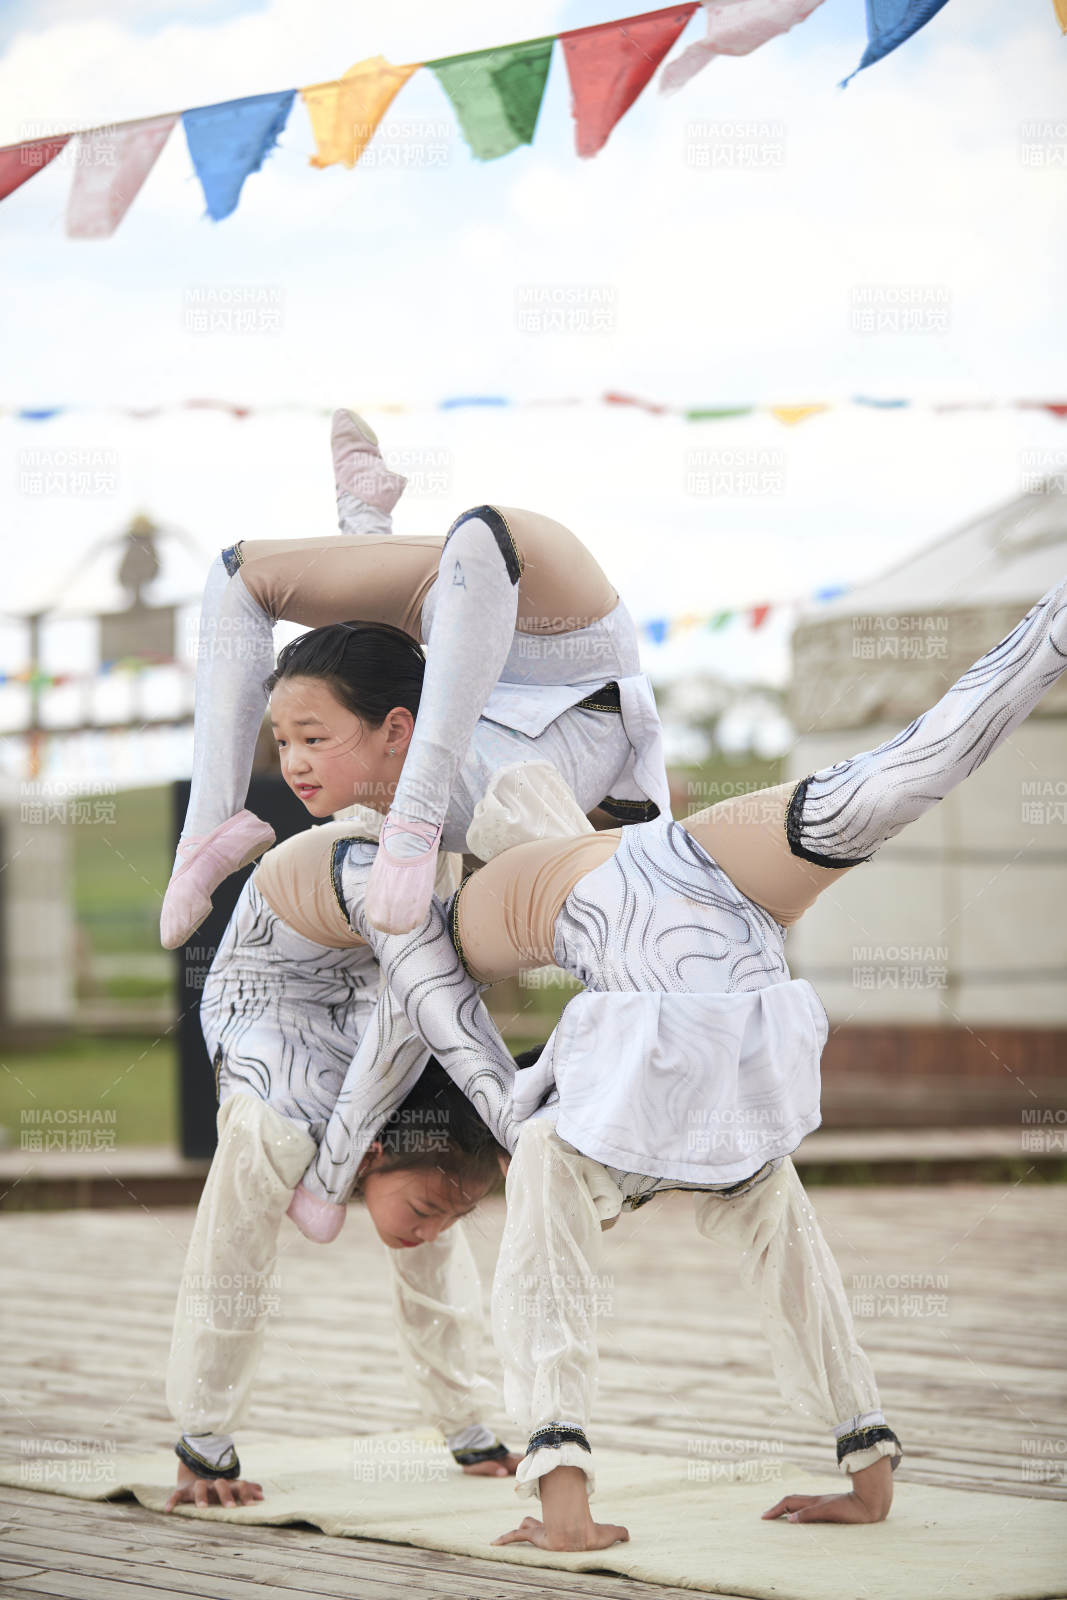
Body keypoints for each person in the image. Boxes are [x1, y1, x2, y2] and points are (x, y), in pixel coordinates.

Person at [292, 572, 1067, 1548]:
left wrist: (400, 1144)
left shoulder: (454, 868)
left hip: (667, 943)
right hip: (726, 965)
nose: (295, 762)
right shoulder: (525, 848)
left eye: (308, 738)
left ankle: (570, 1497)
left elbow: (435, 1024)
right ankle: (864, 1463)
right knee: (914, 764)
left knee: (563, 1197)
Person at [160, 410, 668, 947]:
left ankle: (364, 517)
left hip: (562, 653)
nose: (293, 763)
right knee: (243, 577)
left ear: (399, 729)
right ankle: (208, 832)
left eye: (312, 739)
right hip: (500, 656)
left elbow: (591, 913)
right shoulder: (377, 793)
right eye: (285, 742)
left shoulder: (475, 784)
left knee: (475, 534)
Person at [165, 1056, 521, 1512]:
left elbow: (438, 1282)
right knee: (238, 1255)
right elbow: (226, 1267)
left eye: (456, 1216)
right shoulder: (274, 1127)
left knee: (433, 1241)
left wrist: (467, 1427)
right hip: (276, 1040)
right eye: (425, 1211)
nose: (434, 1230)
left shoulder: (425, 1132)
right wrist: (204, 1445)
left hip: (373, 1034)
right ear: (371, 1154)